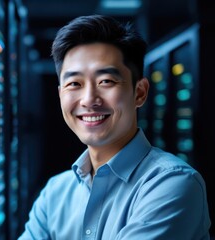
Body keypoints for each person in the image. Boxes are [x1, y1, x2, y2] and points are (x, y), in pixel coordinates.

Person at [18, 14, 211, 239]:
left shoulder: (173, 184)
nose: (89, 99)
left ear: (139, 93)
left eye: (106, 81)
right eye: (74, 84)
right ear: (61, 95)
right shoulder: (54, 194)